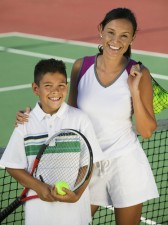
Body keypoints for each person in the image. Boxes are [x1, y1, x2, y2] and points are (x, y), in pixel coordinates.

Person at [15, 8, 159, 225]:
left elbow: (146, 131)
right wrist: (32, 115)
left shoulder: (139, 73)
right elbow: (67, 114)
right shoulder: (81, 66)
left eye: (124, 36)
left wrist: (135, 92)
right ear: (100, 30)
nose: (115, 41)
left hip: (125, 162)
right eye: (110, 32)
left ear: (132, 38)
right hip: (85, 165)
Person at [0, 58, 103, 225]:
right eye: (48, 86)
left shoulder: (80, 119)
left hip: (76, 216)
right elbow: (12, 165)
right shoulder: (25, 124)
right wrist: (39, 187)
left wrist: (76, 194)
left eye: (61, 85)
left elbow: (89, 164)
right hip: (39, 216)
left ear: (67, 87)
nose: (55, 91)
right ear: (36, 88)